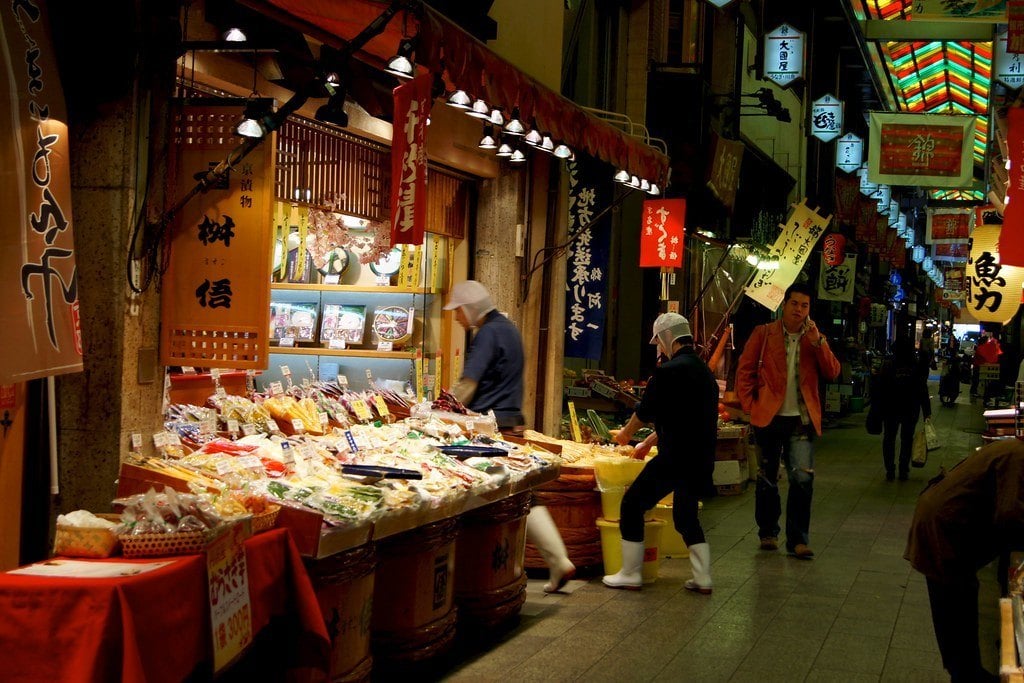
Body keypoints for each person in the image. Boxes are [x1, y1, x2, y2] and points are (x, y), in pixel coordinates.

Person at [444, 280, 575, 592]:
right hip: (511, 423)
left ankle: (480, 574)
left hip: (491, 428)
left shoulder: (487, 333)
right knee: (523, 493)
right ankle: (556, 560)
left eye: (458, 312)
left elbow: (469, 384)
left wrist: (444, 406)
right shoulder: (509, 329)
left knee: (472, 491)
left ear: (469, 308)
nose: (457, 319)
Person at [605, 313, 718, 592]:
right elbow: (684, 418)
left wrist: (626, 436)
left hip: (674, 459)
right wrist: (647, 443)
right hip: (700, 459)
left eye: (659, 341)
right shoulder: (705, 374)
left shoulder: (668, 372)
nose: (659, 348)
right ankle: (702, 577)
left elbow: (644, 412)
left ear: (668, 338)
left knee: (632, 504)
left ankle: (631, 573)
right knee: (686, 516)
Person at [734, 282, 841, 558]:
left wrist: (818, 341)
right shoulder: (764, 333)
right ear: (784, 304)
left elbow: (832, 372)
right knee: (767, 478)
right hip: (768, 417)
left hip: (801, 420)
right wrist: (750, 406)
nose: (799, 310)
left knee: (802, 480)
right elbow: (744, 370)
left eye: (805, 306)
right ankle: (768, 533)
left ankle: (798, 540)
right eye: (795, 304)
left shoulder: (814, 338)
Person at [905, 440, 1024, 683]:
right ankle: (966, 672)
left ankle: (965, 670)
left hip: (944, 525)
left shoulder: (1014, 449)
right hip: (945, 530)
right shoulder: (1019, 458)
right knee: (955, 604)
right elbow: (1010, 517)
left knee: (956, 604)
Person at [873, 337, 932, 480]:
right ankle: (903, 469)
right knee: (907, 439)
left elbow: (880, 389)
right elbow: (922, 389)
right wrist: (927, 412)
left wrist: (877, 408)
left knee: (889, 438)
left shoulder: (888, 366)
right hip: (910, 409)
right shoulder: (916, 367)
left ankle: (890, 469)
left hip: (890, 408)